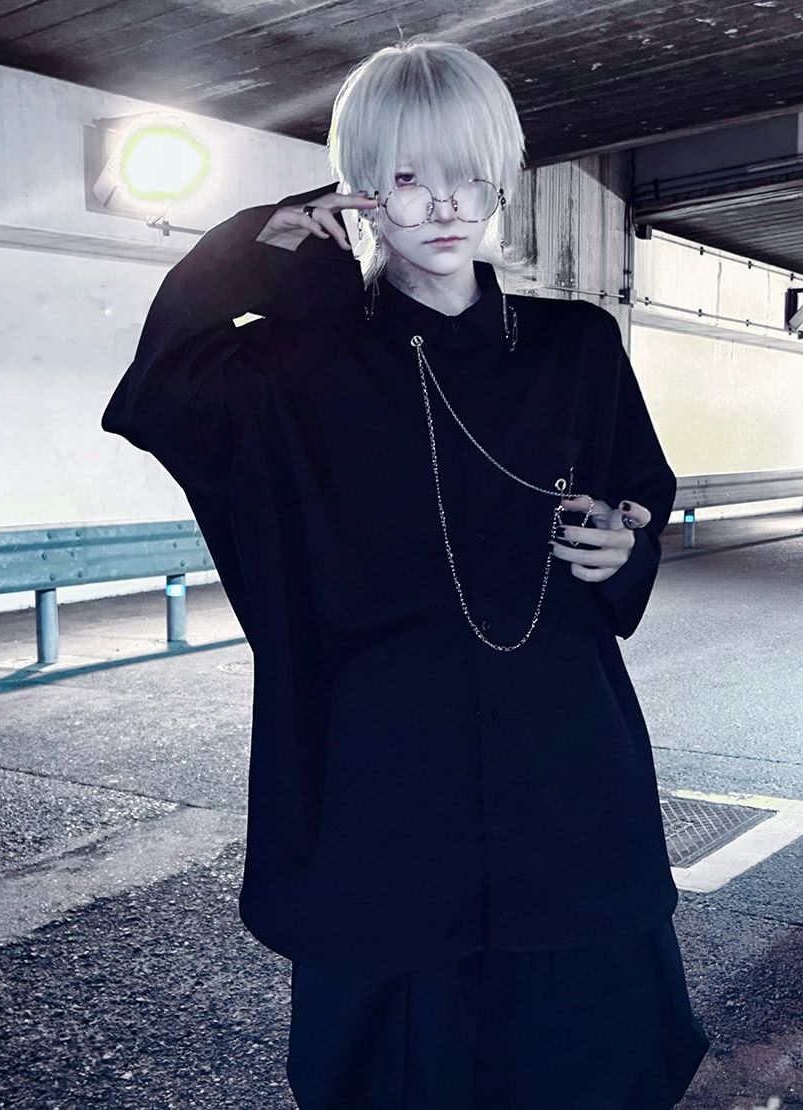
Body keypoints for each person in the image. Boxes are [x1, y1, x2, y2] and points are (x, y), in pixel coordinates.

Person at [101, 36, 710, 1110]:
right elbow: (160, 394)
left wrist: (627, 545)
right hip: (379, 792)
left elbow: (637, 498)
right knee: (392, 1078)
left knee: (589, 1067)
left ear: (503, 176)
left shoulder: (575, 344)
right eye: (409, 175)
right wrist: (257, 245)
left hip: (567, 776)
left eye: (469, 173)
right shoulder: (298, 366)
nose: (444, 205)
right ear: (360, 188)